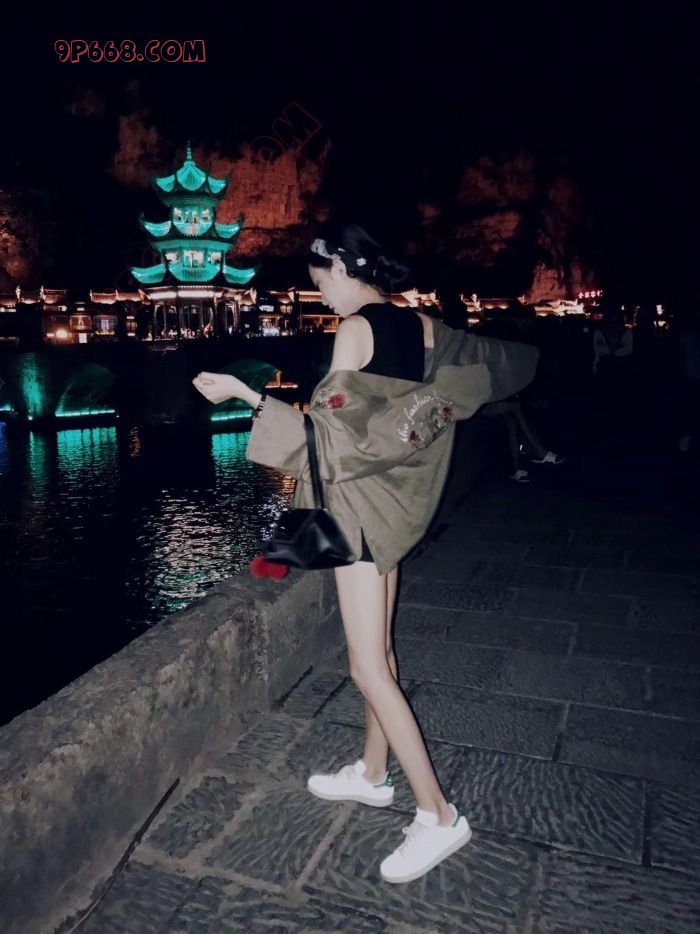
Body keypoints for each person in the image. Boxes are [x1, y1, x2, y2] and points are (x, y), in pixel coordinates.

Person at [192, 219, 538, 884]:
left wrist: (246, 395)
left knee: (366, 667)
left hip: (356, 515)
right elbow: (473, 376)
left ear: (344, 269)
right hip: (397, 504)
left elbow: (329, 443)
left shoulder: (353, 329)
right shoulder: (423, 326)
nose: (319, 293)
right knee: (382, 651)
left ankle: (439, 815)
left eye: (320, 280)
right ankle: (374, 773)